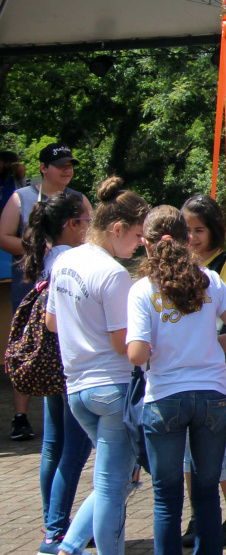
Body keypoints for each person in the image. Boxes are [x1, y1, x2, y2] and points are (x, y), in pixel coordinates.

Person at [126, 205, 226, 554]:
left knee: (166, 497)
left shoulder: (141, 290)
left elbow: (137, 355)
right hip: (211, 395)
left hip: (164, 397)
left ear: (147, 244)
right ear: (187, 241)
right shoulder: (210, 280)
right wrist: (207, 344)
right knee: (206, 491)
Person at [46, 176, 148, 554]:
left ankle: (67, 546)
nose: (140, 243)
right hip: (112, 388)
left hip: (77, 389)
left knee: (118, 480)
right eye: (137, 235)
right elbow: (123, 344)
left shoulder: (65, 260)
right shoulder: (114, 274)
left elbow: (53, 322)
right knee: (111, 484)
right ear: (117, 228)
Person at [0, 143, 92, 441]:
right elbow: (3, 237)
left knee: (66, 346)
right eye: (60, 164)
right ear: (43, 167)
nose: (67, 169)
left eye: (70, 164)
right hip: (30, 289)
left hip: (70, 290)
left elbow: (92, 238)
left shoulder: (79, 200)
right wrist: (37, 248)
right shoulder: (21, 198)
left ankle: (70, 408)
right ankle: (20, 416)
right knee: (29, 347)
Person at [20, 192, 94, 554]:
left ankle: (55, 522)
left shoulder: (49, 255)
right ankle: (57, 530)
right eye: (87, 219)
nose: (91, 225)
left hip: (53, 366)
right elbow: (57, 319)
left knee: (53, 447)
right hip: (72, 367)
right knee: (74, 450)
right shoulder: (73, 259)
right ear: (72, 224)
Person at [179, 194, 226, 546]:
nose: (192, 237)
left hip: (214, 368)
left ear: (214, 231)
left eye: (199, 230)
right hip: (182, 368)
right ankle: (199, 517)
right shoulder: (175, 264)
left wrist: (205, 345)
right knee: (189, 456)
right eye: (186, 230)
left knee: (213, 448)